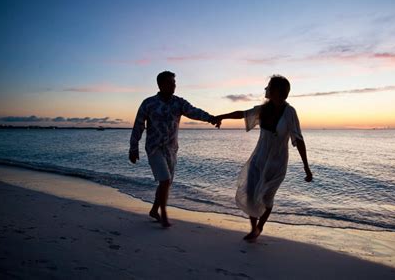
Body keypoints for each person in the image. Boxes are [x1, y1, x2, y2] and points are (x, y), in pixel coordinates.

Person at [216, 75, 313, 241]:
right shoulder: (264, 109)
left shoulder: (290, 113)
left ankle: (260, 226)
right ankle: (254, 229)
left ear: (278, 91)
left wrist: (306, 167)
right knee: (251, 193)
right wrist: (220, 116)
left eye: (268, 86)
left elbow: (299, 139)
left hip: (277, 161)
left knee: (267, 196)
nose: (265, 89)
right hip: (258, 158)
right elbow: (242, 114)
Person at [129, 71, 219, 227]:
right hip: (154, 148)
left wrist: (211, 118)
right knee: (165, 180)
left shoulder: (179, 103)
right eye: (170, 83)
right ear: (160, 85)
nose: (173, 86)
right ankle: (163, 214)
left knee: (166, 183)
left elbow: (194, 112)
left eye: (174, 83)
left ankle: (154, 210)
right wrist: (133, 147)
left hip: (171, 149)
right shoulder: (148, 103)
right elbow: (138, 125)